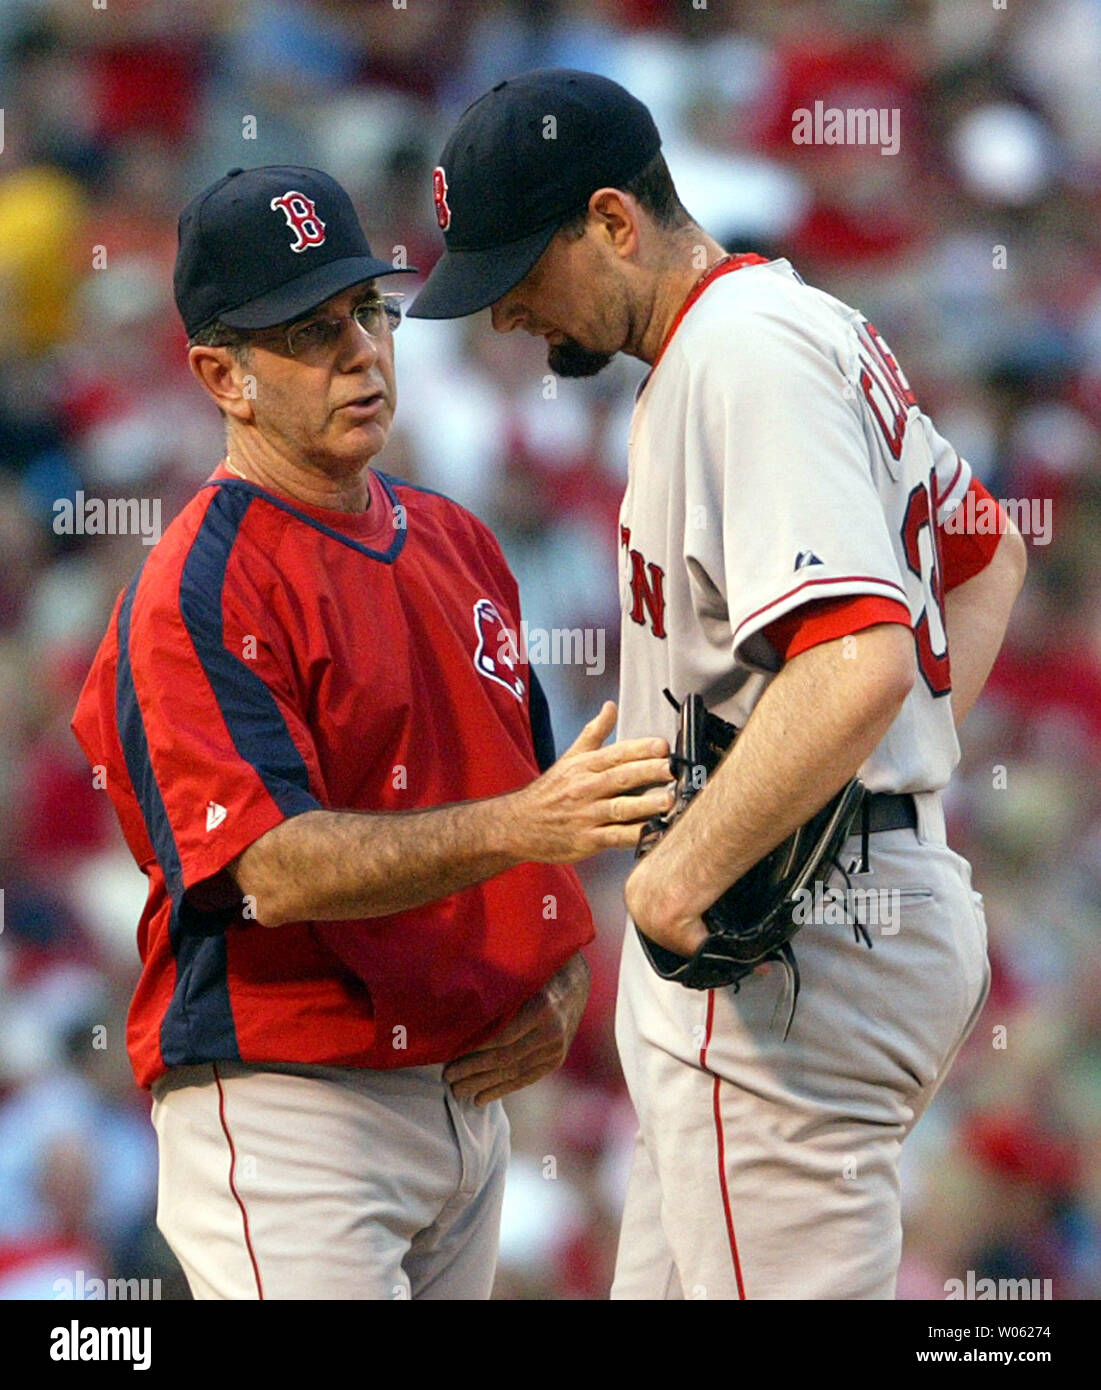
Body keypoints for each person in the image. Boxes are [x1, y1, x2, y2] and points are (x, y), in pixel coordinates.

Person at [409, 70, 1029, 1299]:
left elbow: (858, 661)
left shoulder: (742, 354)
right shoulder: (789, 328)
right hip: (821, 911)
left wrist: (697, 863)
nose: (505, 318)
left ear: (614, 222)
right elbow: (986, 554)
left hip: (791, 946)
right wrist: (865, 772)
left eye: (520, 274)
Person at [70, 164, 674, 1301]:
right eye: (308, 331)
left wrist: (550, 987)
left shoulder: (459, 540)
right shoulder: (199, 583)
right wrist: (522, 824)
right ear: (223, 376)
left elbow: (532, 808)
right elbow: (272, 866)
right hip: (293, 1098)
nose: (360, 350)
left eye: (366, 311)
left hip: (471, 1100)